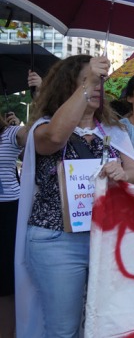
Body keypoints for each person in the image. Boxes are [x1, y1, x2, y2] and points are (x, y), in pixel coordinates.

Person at [15, 55, 134, 338]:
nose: (97, 87)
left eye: (100, 81)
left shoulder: (113, 130)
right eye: (87, 80)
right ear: (68, 85)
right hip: (56, 241)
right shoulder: (42, 128)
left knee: (104, 325)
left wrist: (122, 172)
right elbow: (58, 137)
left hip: (106, 239)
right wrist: (87, 85)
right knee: (64, 330)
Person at [0, 71, 40, 338]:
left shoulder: (10, 134)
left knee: (5, 285)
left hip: (6, 213)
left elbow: (38, 131)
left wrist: (38, 95)